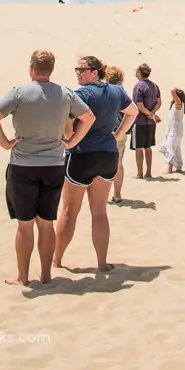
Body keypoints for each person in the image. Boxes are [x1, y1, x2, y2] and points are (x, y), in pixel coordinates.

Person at [0, 49, 95, 286]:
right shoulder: (65, 93)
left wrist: (5, 143)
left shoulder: (19, 92)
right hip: (54, 164)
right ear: (51, 69)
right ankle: (46, 275)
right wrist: (71, 142)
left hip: (23, 165)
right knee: (46, 223)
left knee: (25, 226)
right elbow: (89, 118)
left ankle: (23, 278)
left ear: (31, 69)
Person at [54, 56, 137, 271]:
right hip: (107, 154)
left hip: (83, 154)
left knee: (69, 211)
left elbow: (68, 122)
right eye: (76, 70)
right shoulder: (117, 91)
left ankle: (57, 260)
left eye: (82, 70)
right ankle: (101, 263)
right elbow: (132, 112)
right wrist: (118, 135)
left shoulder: (81, 94)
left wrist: (71, 140)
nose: (79, 74)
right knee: (99, 211)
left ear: (95, 71)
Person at [131, 63, 162, 179]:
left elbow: (139, 105)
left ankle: (140, 173)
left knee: (139, 148)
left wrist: (148, 113)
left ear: (139, 73)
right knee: (148, 147)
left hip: (139, 121)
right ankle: (148, 172)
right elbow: (159, 102)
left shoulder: (138, 87)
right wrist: (153, 113)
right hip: (151, 121)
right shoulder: (155, 86)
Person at [106, 65, 129, 204]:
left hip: (107, 131)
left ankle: (102, 194)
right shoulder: (123, 92)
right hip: (121, 130)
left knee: (104, 164)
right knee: (118, 164)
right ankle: (117, 194)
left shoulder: (106, 91)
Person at [160, 88, 185, 173]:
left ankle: (169, 169)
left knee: (170, 148)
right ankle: (179, 167)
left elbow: (172, 91)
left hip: (175, 130)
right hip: (175, 129)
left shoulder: (179, 103)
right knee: (176, 149)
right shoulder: (177, 104)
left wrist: (175, 90)